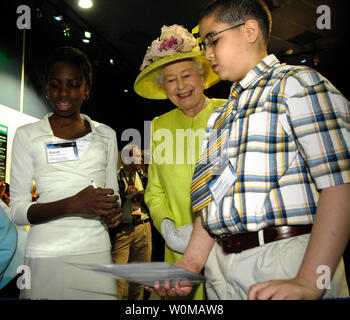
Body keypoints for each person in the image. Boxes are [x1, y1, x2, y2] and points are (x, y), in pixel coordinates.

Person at [150, 0, 350, 300]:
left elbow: (340, 185)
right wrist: (191, 262)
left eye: (213, 40)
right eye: (204, 45)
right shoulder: (221, 114)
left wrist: (310, 280)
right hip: (221, 269)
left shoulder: (297, 84)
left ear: (250, 30)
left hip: (285, 258)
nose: (208, 54)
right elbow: (211, 198)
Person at [9, 46, 122, 300]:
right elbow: (17, 211)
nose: (63, 93)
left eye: (73, 84)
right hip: (46, 253)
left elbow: (111, 195)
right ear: (47, 87)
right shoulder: (28, 135)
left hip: (96, 251)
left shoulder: (106, 135)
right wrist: (73, 204)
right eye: (55, 84)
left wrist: (112, 213)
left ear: (87, 88)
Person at [134, 24, 226, 300]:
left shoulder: (229, 111)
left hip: (228, 247)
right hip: (179, 255)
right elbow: (155, 191)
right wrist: (169, 230)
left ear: (202, 76)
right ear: (164, 88)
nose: (181, 86)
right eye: (171, 80)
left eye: (186, 75)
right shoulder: (161, 125)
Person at [111, 144, 152, 300]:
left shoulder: (143, 176)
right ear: (127, 158)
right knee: (118, 277)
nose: (141, 158)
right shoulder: (115, 177)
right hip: (124, 230)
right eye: (137, 156)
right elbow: (110, 202)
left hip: (143, 228)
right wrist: (123, 195)